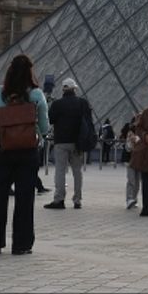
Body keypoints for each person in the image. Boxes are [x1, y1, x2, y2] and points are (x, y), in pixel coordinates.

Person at [0, 53, 50, 255]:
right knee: (25, 200)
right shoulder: (36, 95)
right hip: (27, 151)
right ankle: (21, 245)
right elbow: (44, 127)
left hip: (1, 150)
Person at [46, 78, 90, 210]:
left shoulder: (57, 104)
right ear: (75, 89)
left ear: (63, 89)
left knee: (60, 171)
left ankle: (59, 200)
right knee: (77, 171)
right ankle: (77, 200)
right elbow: (88, 122)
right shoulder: (82, 103)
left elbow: (51, 120)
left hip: (61, 141)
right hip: (77, 142)